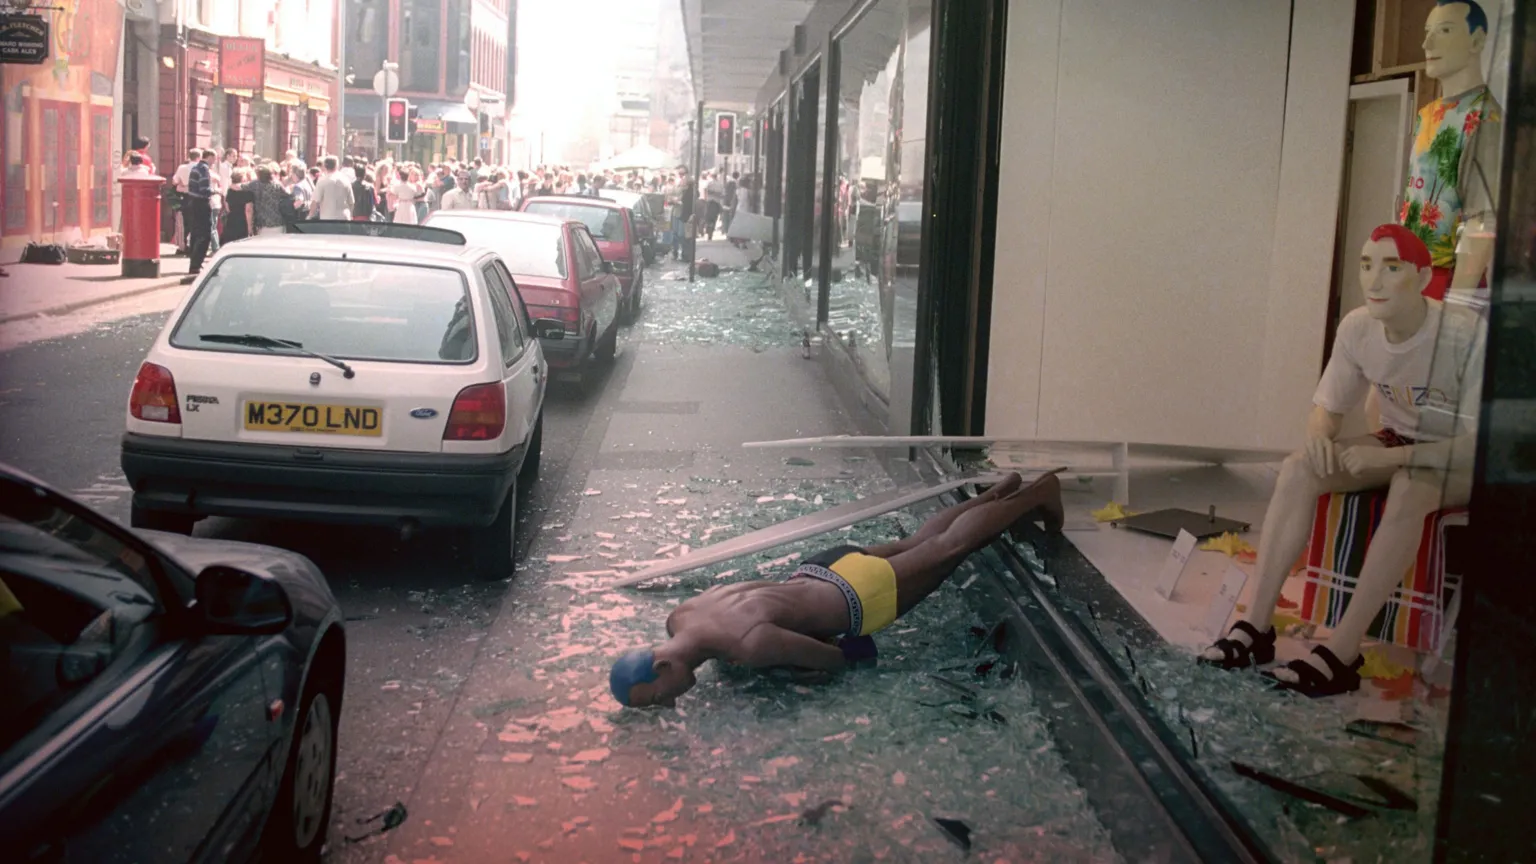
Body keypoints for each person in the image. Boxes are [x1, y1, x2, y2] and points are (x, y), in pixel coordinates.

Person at [1200, 225, 1484, 696]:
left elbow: (1479, 445)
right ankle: (1256, 628)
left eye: (1391, 268)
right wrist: (1318, 440)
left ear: (1423, 275)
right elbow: (1326, 409)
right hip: (1398, 441)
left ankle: (1343, 651)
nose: (1374, 280)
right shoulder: (1358, 326)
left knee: (1412, 487)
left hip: (1460, 459)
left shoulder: (1463, 335)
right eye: (1366, 265)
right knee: (1297, 468)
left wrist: (1393, 461)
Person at [609, 471, 1066, 707]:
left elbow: (835, 659)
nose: (666, 705)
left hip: (855, 598)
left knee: (950, 547)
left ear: (662, 663)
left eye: (658, 697)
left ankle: (1037, 494)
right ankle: (996, 495)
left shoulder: (748, 647)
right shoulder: (682, 615)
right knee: (918, 542)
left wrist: (802, 667)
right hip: (820, 569)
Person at [182, 149, 213, 283]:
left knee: (195, 234)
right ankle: (196, 264)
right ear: (210, 157)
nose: (214, 162)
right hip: (201, 203)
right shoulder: (204, 169)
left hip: (192, 202)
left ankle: (193, 265)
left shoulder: (195, 168)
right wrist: (215, 190)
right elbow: (204, 189)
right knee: (204, 234)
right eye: (214, 159)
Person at [310, 155, 356, 220]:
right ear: (337, 166)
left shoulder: (322, 181)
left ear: (325, 166)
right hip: (344, 219)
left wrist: (310, 215)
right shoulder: (345, 180)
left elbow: (315, 202)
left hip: (328, 219)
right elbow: (351, 202)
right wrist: (350, 215)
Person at [250, 164, 288, 236]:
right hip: (278, 221)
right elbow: (287, 195)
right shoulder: (277, 184)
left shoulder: (255, 184)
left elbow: (241, 187)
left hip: (264, 223)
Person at [220, 168, 254, 244]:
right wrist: (250, 228)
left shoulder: (230, 190)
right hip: (242, 221)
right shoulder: (247, 191)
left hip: (231, 220)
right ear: (242, 178)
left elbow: (227, 207)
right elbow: (248, 210)